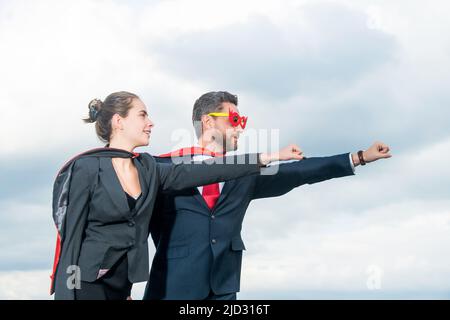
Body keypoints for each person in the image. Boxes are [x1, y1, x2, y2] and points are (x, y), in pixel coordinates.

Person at [50, 91, 302, 300]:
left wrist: (265, 158)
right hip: (86, 283)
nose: (150, 122)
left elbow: (205, 171)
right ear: (119, 121)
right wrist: (67, 293)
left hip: (122, 285)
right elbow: (71, 240)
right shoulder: (87, 168)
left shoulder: (149, 169)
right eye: (142, 115)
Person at [144, 91, 392, 300]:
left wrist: (359, 157)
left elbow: (298, 172)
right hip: (170, 288)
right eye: (234, 119)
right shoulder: (163, 169)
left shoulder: (244, 173)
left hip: (223, 289)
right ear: (208, 122)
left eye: (242, 120)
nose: (240, 128)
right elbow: (130, 225)